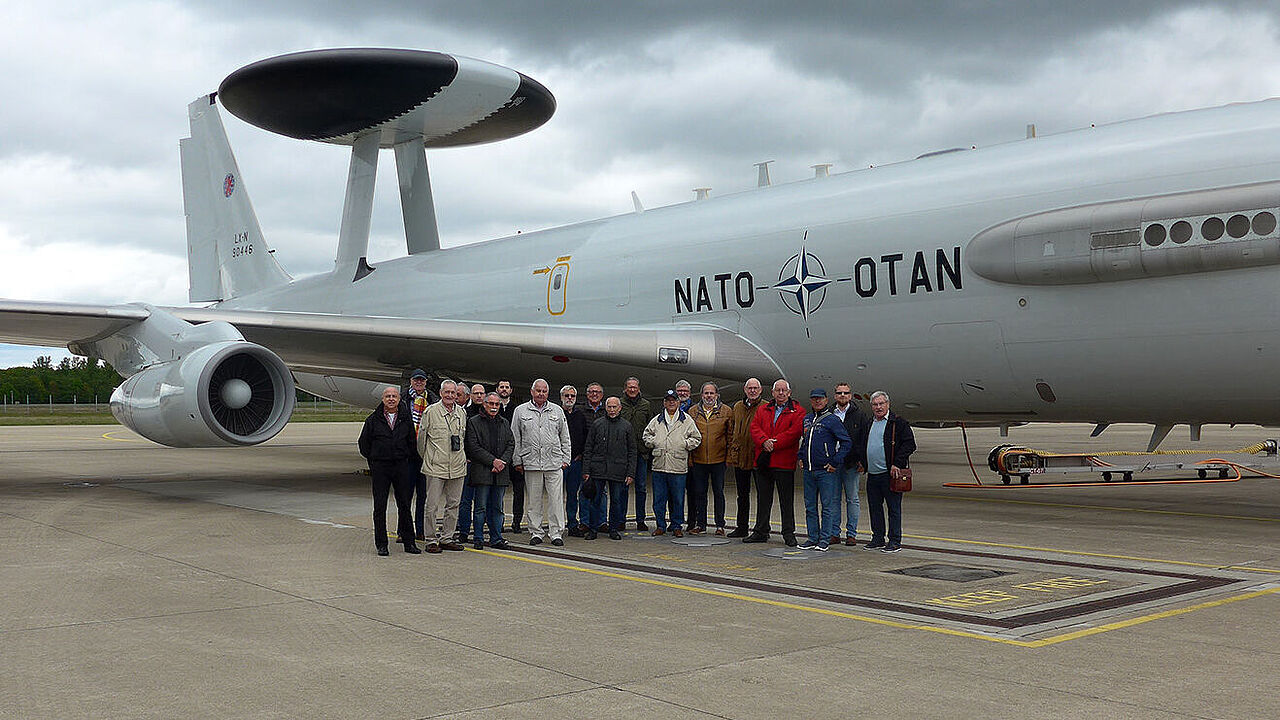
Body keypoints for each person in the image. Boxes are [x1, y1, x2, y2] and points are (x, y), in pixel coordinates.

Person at [357, 386, 420, 555]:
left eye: (394, 396)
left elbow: (412, 443)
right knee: (380, 507)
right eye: (388, 396)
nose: (391, 399)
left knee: (405, 505)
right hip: (381, 467)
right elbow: (364, 444)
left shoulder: (405, 419)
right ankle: (382, 544)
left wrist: (405, 457)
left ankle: (409, 542)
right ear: (383, 399)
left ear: (399, 399)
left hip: (400, 466)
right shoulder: (373, 419)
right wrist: (374, 460)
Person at [511, 379, 572, 546]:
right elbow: (515, 437)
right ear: (532, 392)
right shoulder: (520, 411)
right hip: (531, 463)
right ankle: (535, 532)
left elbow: (564, 437)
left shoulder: (557, 410)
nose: (541, 394)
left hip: (554, 463)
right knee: (534, 501)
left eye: (544, 391)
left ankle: (556, 533)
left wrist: (565, 459)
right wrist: (517, 460)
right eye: (538, 390)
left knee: (556, 500)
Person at [745, 379, 805, 546]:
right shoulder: (763, 409)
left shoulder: (798, 411)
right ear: (772, 393)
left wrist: (774, 443)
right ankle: (761, 531)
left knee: (786, 500)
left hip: (784, 462)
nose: (780, 393)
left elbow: (794, 433)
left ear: (789, 393)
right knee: (763, 499)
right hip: (764, 460)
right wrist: (764, 441)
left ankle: (788, 533)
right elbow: (754, 427)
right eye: (777, 390)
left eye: (783, 390)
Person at [854, 390, 915, 553]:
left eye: (881, 404)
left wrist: (897, 463)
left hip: (890, 474)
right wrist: (863, 462)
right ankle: (878, 538)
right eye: (875, 404)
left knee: (893, 508)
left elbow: (910, 444)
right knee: (875, 508)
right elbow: (862, 444)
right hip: (873, 474)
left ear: (888, 404)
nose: (878, 407)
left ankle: (895, 541)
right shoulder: (869, 423)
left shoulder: (898, 423)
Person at [416, 380, 468, 553]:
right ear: (440, 393)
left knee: (453, 504)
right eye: (447, 392)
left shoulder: (461, 413)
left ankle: (447, 537)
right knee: (431, 505)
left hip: (457, 466)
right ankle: (431, 539)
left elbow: (463, 438)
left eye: (453, 393)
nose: (450, 396)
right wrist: (429, 459)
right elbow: (421, 441)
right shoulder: (431, 412)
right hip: (435, 466)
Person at [642, 389, 701, 538]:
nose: (671, 403)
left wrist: (684, 444)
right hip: (659, 465)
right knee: (659, 499)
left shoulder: (686, 420)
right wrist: (655, 442)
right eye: (668, 400)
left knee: (677, 499)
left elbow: (696, 438)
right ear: (664, 403)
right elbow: (646, 435)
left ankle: (676, 526)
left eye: (673, 400)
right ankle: (660, 525)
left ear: (678, 402)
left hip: (678, 466)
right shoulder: (657, 419)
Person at [798, 388, 851, 552]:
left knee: (827, 507)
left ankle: (824, 539)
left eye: (820, 399)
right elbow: (805, 441)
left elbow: (846, 442)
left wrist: (835, 462)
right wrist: (800, 456)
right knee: (810, 507)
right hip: (809, 470)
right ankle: (812, 537)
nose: (817, 401)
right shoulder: (807, 419)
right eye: (814, 399)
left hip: (825, 471)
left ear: (826, 400)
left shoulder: (832, 420)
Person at [582, 396, 637, 540]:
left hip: (618, 470)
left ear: (620, 408)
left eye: (614, 407)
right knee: (595, 501)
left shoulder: (627, 426)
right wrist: (586, 470)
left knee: (616, 502)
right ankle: (593, 529)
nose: (612, 410)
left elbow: (632, 451)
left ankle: (613, 529)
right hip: (598, 469)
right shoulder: (597, 424)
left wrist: (631, 473)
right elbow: (588, 448)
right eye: (609, 407)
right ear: (605, 408)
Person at [465, 392, 513, 550]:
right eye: (491, 404)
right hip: (482, 471)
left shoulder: (504, 423)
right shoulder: (473, 422)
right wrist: (493, 461)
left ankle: (496, 538)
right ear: (484, 405)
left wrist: (501, 462)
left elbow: (511, 444)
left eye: (497, 404)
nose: (494, 407)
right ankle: (478, 537)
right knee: (480, 508)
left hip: (500, 472)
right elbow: (473, 447)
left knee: (497, 508)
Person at [688, 381, 733, 535]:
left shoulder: (726, 411)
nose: (709, 396)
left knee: (718, 493)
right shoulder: (692, 411)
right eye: (706, 393)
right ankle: (701, 524)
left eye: (711, 393)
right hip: (699, 460)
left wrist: (728, 458)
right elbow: (688, 435)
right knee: (699, 493)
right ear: (701, 395)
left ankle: (720, 525)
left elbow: (730, 436)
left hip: (719, 460)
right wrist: (690, 459)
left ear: (717, 395)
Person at [726, 378, 764, 538]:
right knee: (742, 495)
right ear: (745, 389)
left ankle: (762, 529)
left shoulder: (765, 407)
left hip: (758, 458)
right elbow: (731, 429)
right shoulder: (737, 407)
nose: (753, 391)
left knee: (762, 495)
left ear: (760, 390)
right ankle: (742, 527)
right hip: (740, 457)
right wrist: (731, 452)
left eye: (755, 388)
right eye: (750, 388)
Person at [831, 382, 868, 546]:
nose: (842, 396)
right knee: (833, 499)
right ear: (835, 396)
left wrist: (862, 461)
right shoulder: (830, 413)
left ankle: (851, 534)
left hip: (851, 464)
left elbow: (863, 440)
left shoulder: (859, 415)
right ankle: (834, 533)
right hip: (833, 463)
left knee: (852, 499)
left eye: (845, 393)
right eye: (839, 393)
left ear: (850, 396)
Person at [618, 376, 652, 530]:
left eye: (635, 387)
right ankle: (620, 519)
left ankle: (640, 520)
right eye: (629, 387)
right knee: (623, 488)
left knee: (641, 488)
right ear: (625, 388)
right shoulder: (619, 404)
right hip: (623, 455)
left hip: (641, 453)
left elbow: (651, 427)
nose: (632, 389)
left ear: (639, 389)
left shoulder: (646, 405)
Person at [402, 369, 431, 540]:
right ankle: (403, 530)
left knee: (423, 496)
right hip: (408, 454)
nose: (419, 383)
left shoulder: (432, 399)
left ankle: (420, 530)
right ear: (411, 381)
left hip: (425, 454)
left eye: (422, 380)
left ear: (426, 382)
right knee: (405, 495)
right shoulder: (403, 399)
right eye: (416, 380)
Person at [456, 382, 486, 543]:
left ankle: (479, 533)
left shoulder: (490, 413)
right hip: (468, 462)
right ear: (470, 396)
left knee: (481, 502)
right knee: (465, 501)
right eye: (476, 393)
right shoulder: (464, 413)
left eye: (482, 393)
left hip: (483, 464)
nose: (479, 396)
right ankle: (463, 530)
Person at [578, 382, 609, 533]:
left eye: (597, 392)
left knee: (602, 492)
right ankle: (584, 522)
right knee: (584, 489)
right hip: (585, 455)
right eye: (591, 392)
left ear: (602, 395)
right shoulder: (580, 410)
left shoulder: (606, 411)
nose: (594, 394)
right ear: (587, 394)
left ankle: (601, 522)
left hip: (603, 458)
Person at [496, 379, 525, 533]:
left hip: (515, 455)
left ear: (511, 390)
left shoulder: (517, 409)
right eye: (502, 387)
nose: (504, 389)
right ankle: (498, 522)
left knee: (519, 491)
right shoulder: (493, 407)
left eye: (507, 387)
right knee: (499, 491)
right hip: (500, 456)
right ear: (497, 389)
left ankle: (517, 522)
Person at [560, 385, 588, 536]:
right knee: (556, 496)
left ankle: (572, 524)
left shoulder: (580, 415)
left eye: (572, 396)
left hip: (575, 462)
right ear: (561, 397)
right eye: (566, 395)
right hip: (559, 463)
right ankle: (556, 526)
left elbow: (585, 436)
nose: (569, 398)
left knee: (573, 495)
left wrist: (581, 453)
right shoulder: (556, 414)